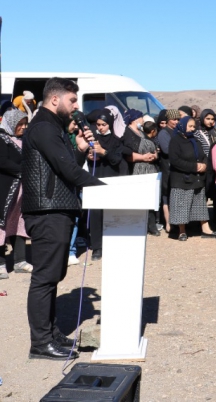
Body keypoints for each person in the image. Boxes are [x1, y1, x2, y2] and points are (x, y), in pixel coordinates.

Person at [21, 77, 104, 360]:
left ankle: (51, 333)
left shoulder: (52, 128)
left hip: (57, 209)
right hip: (47, 212)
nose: (76, 106)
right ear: (55, 99)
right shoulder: (44, 127)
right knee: (45, 278)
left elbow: (64, 165)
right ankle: (40, 343)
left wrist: (80, 148)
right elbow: (67, 170)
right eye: (72, 100)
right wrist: (107, 190)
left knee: (54, 276)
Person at [86, 108, 126, 260]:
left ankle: (112, 244)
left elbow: (116, 159)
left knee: (111, 214)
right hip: (96, 180)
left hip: (111, 180)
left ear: (109, 124)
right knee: (96, 214)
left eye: (103, 124)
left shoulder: (116, 140)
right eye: (98, 124)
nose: (100, 127)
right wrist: (90, 156)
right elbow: (88, 157)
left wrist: (103, 152)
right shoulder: (93, 138)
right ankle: (97, 247)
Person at [168, 117, 215, 241]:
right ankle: (182, 231)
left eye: (194, 126)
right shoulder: (175, 140)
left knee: (200, 205)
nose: (192, 129)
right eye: (190, 126)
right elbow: (175, 160)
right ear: (183, 126)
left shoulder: (195, 140)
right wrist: (194, 167)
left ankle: (205, 228)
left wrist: (204, 165)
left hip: (197, 179)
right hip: (182, 179)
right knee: (181, 206)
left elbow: (203, 155)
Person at [0, 108, 31, 278]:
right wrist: (24, 170)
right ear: (11, 123)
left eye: (25, 124)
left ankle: (20, 260)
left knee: (20, 223)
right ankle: (1, 263)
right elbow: (2, 161)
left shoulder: (22, 140)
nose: (23, 127)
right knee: (1, 225)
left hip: (21, 191)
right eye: (20, 124)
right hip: (5, 191)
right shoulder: (2, 139)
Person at [157, 109, 181, 231]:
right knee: (166, 195)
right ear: (168, 120)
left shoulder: (177, 132)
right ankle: (168, 223)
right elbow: (166, 150)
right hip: (167, 168)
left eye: (178, 119)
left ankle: (177, 222)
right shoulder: (163, 133)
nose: (176, 122)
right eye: (173, 119)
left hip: (177, 168)